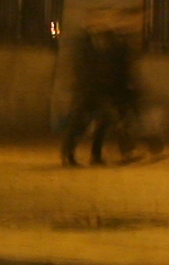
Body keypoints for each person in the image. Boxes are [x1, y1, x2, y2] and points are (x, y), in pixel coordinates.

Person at [55, 10, 145, 166]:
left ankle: (96, 155)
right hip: (88, 89)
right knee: (84, 123)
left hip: (101, 90)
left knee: (105, 121)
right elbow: (81, 66)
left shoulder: (107, 39)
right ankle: (70, 154)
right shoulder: (83, 41)